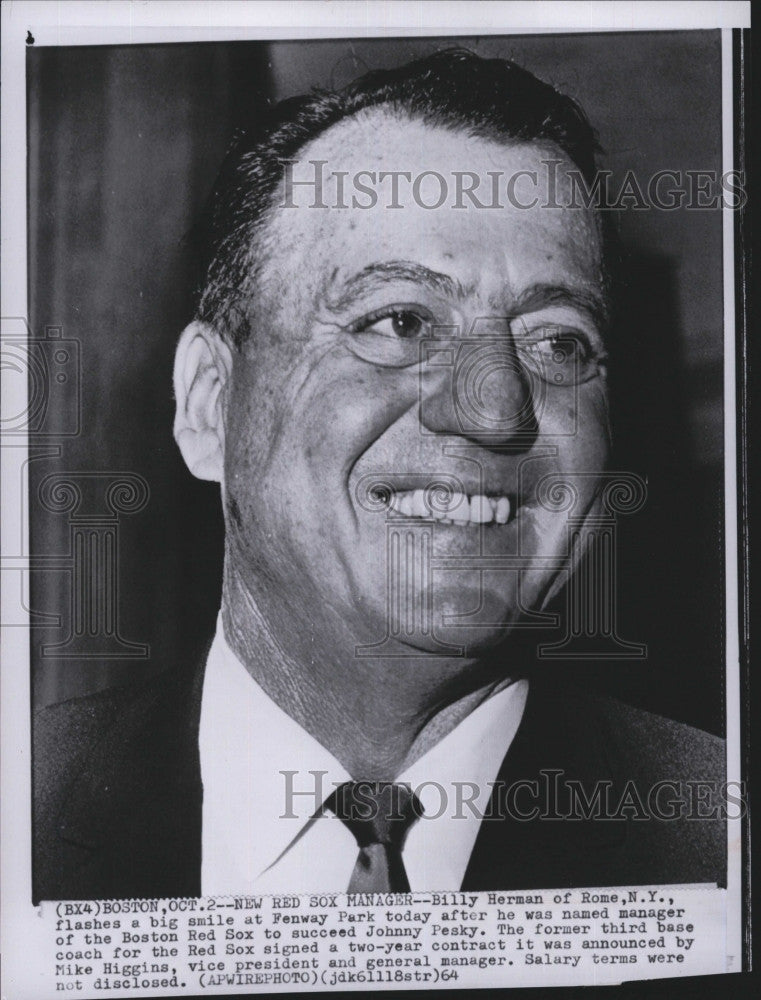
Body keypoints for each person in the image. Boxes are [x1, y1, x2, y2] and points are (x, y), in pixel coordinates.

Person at [33, 49, 725, 903]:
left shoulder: (721, 845)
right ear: (210, 403)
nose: (495, 408)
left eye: (558, 342)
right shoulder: (18, 818)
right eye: (399, 321)